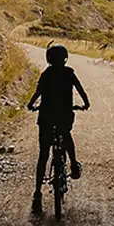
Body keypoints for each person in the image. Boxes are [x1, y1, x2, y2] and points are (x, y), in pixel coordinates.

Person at [27, 42, 90, 215]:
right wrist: (85, 103)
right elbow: (81, 90)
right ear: (65, 58)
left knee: (43, 155)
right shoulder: (69, 73)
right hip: (64, 115)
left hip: (46, 117)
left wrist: (31, 105)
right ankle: (74, 165)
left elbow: (37, 93)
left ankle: (37, 195)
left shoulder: (46, 74)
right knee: (66, 136)